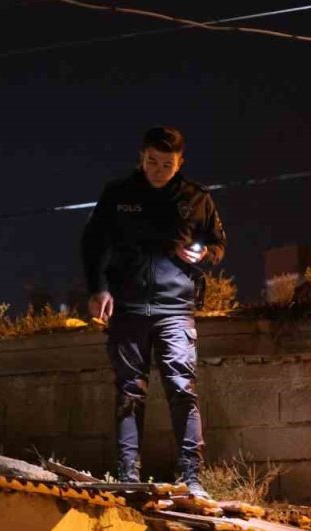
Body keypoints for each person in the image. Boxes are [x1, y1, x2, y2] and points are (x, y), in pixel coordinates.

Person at [80, 126, 226, 497]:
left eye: (166, 164)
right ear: (141, 158)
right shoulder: (118, 195)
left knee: (182, 390)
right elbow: (93, 242)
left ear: (180, 163)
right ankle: (128, 475)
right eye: (152, 162)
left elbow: (218, 244)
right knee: (130, 392)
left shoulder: (197, 198)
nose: (158, 170)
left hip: (176, 309)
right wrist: (98, 288)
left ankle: (191, 478)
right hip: (128, 307)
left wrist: (204, 253)